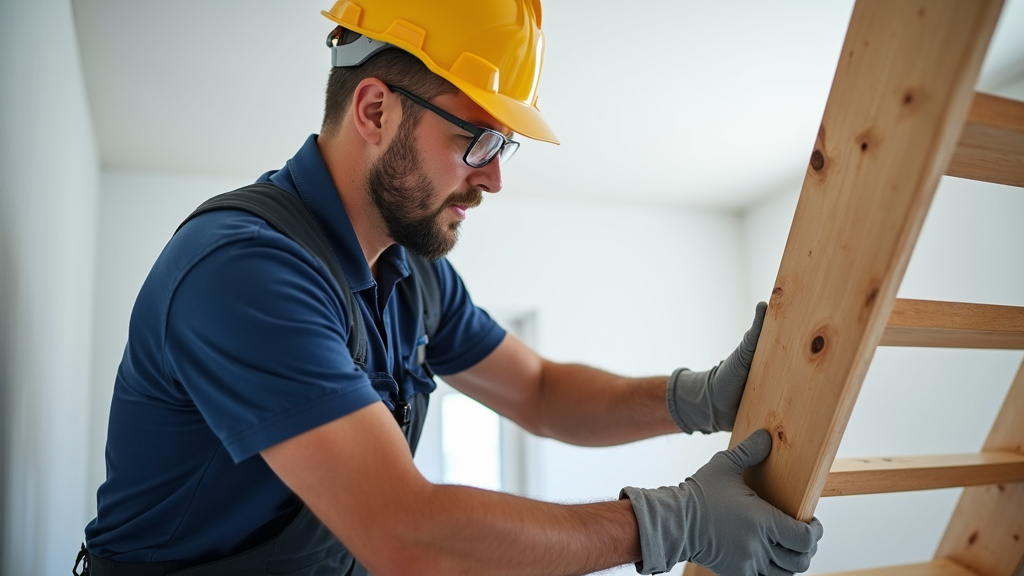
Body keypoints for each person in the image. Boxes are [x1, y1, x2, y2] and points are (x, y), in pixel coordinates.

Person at [79, 1, 823, 575]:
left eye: (506, 145)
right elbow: (405, 533)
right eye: (477, 138)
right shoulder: (245, 271)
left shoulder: (412, 272)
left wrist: (695, 398)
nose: (494, 178)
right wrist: (670, 524)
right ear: (375, 110)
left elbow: (539, 392)